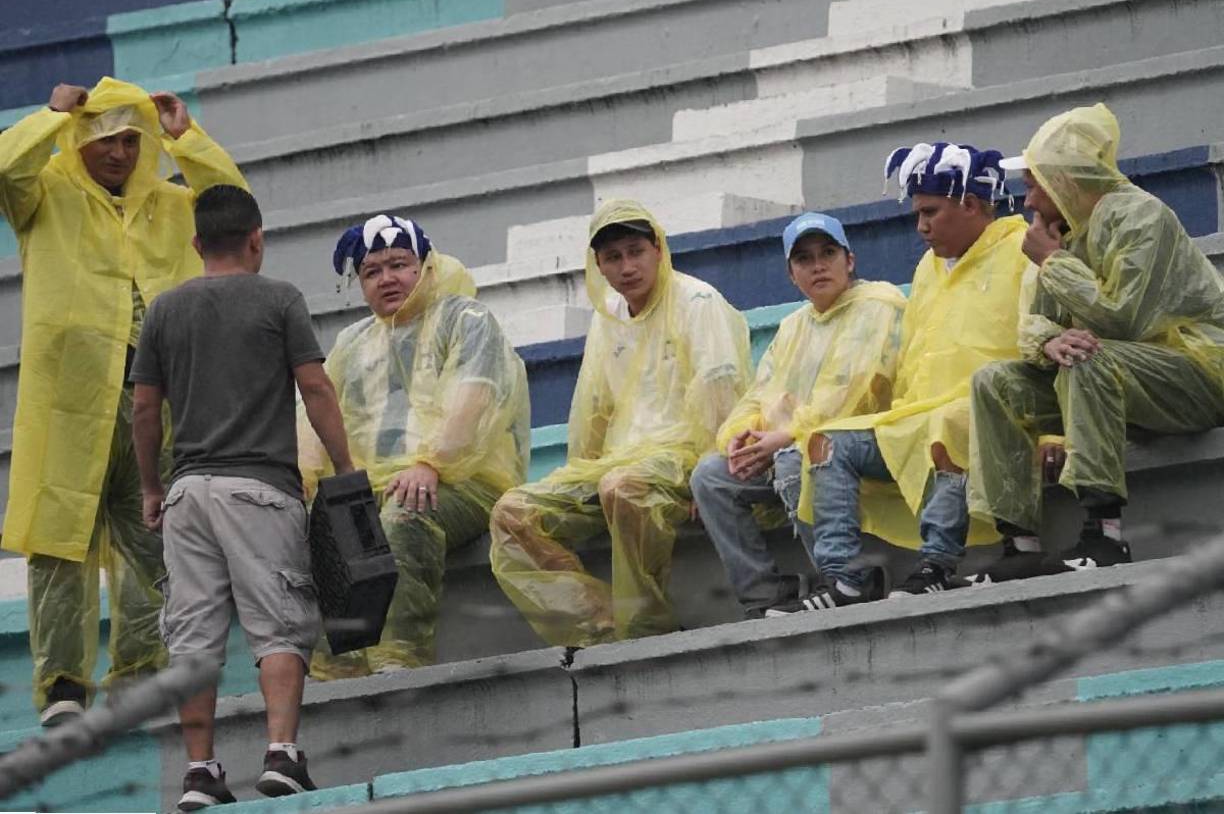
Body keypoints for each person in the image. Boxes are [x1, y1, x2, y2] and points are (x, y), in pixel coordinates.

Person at [0, 77, 246, 725]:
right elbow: (6, 167)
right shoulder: (44, 194)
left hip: (155, 401)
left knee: (156, 537)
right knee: (60, 542)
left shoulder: (170, 204)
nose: (119, 153)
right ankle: (63, 686)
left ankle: (140, 676)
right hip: (69, 400)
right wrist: (51, 115)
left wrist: (186, 139)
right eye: (105, 140)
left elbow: (234, 209)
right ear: (78, 140)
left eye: (131, 141)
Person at [132, 185, 354, 809]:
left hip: (187, 495)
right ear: (257, 239)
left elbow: (144, 408)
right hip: (260, 489)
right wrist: (343, 467)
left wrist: (152, 486)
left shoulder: (164, 310)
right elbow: (316, 388)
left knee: (192, 638)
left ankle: (200, 772)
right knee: (278, 624)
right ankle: (281, 754)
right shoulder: (279, 298)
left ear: (196, 243)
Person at [768, 144, 1029, 613]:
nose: (920, 226)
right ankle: (844, 579)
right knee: (825, 442)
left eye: (930, 212)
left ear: (971, 205)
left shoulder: (1022, 250)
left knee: (951, 423)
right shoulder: (927, 268)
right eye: (917, 214)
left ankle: (937, 566)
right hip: (915, 416)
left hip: (990, 411)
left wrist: (1052, 434)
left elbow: (1045, 347)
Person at [968, 103, 1224, 580]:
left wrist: (1053, 263)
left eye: (1034, 185)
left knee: (1087, 358)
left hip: (1197, 375)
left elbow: (1125, 320)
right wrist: (1049, 342)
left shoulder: (1141, 216)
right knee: (995, 383)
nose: (1028, 202)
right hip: (1115, 379)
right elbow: (1037, 324)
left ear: (1065, 179)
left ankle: (1104, 536)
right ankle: (1020, 545)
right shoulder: (1063, 232)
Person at [489, 199, 751, 646]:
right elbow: (594, 406)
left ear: (658, 249)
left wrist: (708, 474)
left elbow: (722, 391)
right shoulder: (608, 316)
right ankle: (602, 624)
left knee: (622, 487)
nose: (627, 267)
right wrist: (581, 470)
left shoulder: (698, 302)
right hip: (620, 463)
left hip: (681, 460)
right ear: (599, 266)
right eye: (613, 257)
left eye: (636, 252)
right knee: (513, 512)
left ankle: (647, 627)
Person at [301, 213, 530, 679]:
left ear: (425, 267)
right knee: (326, 523)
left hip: (464, 481)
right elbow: (315, 416)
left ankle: (398, 660)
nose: (387, 279)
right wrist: (304, 480)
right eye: (372, 271)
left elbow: (474, 398)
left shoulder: (465, 319)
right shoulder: (351, 343)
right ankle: (337, 672)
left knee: (405, 513)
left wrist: (432, 462)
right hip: (377, 485)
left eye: (399, 265)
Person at [691, 212, 907, 618]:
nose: (818, 265)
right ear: (792, 275)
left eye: (828, 253)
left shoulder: (878, 305)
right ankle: (765, 595)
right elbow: (758, 395)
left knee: (797, 457)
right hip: (791, 441)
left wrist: (784, 438)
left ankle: (847, 579)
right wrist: (741, 436)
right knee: (711, 475)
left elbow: (848, 396)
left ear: (850, 260)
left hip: (867, 442)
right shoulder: (794, 326)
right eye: (804, 259)